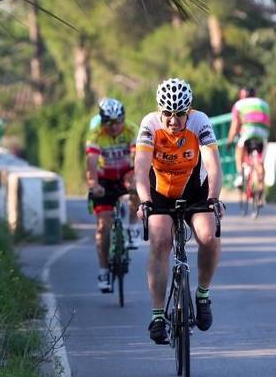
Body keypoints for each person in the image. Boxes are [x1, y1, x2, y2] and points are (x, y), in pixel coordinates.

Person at [134, 78, 224, 345]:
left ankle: (203, 294)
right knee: (160, 239)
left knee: (209, 236)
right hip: (159, 194)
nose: (173, 121)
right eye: (168, 114)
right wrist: (144, 201)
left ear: (189, 111)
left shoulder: (200, 122)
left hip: (195, 191)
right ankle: (158, 314)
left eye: (180, 114)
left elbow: (214, 165)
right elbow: (140, 169)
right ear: (159, 111)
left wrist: (214, 198)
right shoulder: (149, 125)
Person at [86, 98, 140, 292]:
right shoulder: (96, 134)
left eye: (119, 121)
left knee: (140, 186)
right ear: (102, 122)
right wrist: (94, 184)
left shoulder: (131, 129)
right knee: (103, 226)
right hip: (104, 179)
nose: (115, 126)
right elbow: (91, 161)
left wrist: (133, 176)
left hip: (125, 173)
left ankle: (133, 226)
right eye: (110, 123)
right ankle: (103, 270)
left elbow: (137, 156)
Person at [226, 86, 270, 196]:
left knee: (239, 149)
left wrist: (229, 141)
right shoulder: (264, 104)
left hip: (248, 134)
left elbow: (235, 126)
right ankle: (261, 188)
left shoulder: (239, 105)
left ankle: (240, 175)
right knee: (259, 161)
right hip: (263, 135)